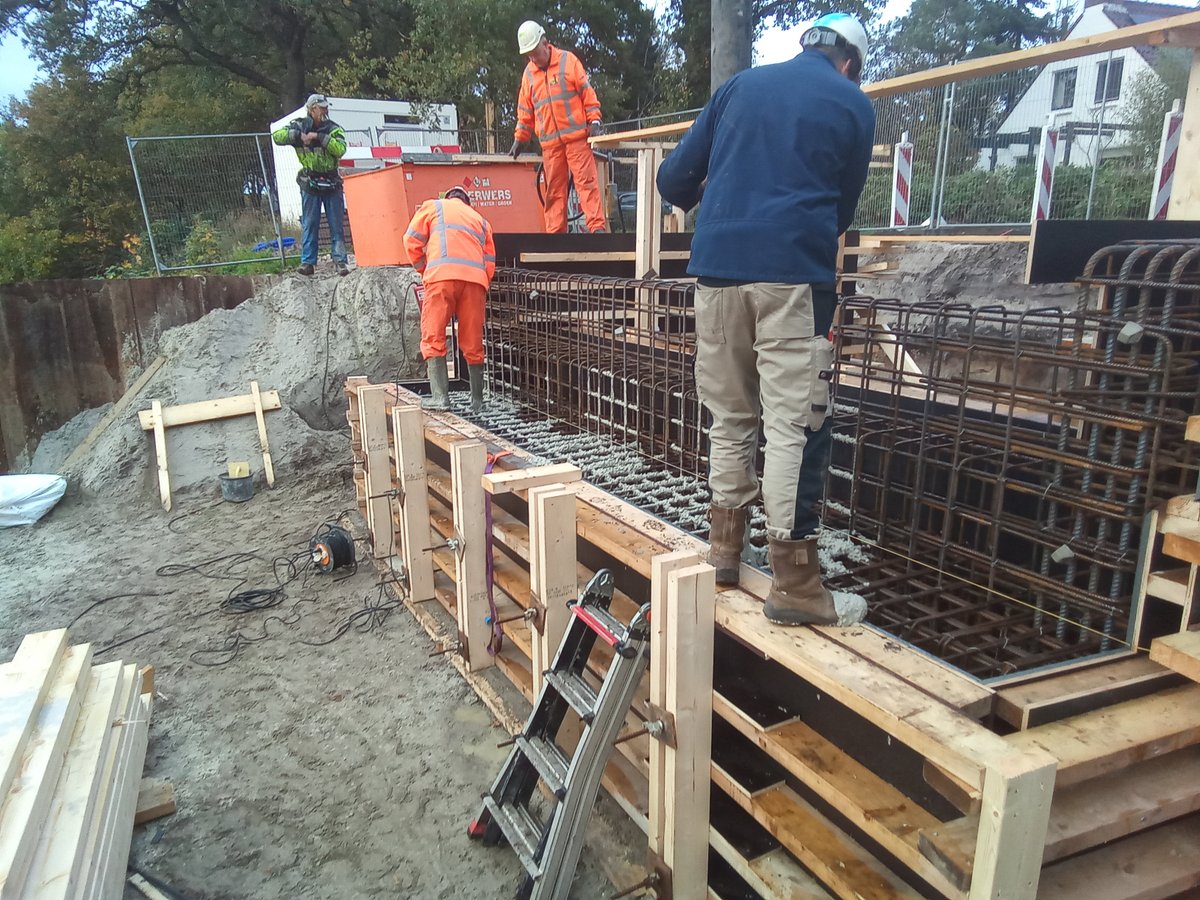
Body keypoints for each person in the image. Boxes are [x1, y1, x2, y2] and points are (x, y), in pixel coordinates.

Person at [656, 13, 876, 627]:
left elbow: (672, 180)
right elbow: (839, 213)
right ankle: (797, 584)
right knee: (792, 424)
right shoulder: (853, 105)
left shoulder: (740, 87)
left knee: (730, 416)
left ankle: (725, 551)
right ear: (851, 62)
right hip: (792, 280)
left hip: (716, 273)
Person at [403, 186, 496, 413]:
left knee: (433, 336)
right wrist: (479, 282)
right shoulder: (481, 220)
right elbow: (490, 262)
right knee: (472, 341)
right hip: (475, 283)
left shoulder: (434, 206)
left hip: (441, 278)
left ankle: (440, 398)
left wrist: (425, 270)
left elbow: (411, 241)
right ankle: (477, 401)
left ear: (449, 197)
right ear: (467, 202)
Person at [509, 21, 608, 234]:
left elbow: (586, 93)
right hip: (551, 146)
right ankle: (555, 235)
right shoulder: (529, 75)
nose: (534, 59)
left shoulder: (568, 62)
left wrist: (594, 121)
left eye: (536, 53)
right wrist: (520, 138)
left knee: (587, 184)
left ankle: (597, 229)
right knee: (554, 192)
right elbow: (525, 111)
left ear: (545, 43)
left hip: (576, 140)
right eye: (530, 56)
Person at [272, 93, 350, 276]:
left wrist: (320, 137)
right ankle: (308, 263)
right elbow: (277, 136)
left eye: (325, 107)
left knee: (336, 224)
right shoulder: (298, 125)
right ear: (311, 109)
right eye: (321, 107)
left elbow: (341, 149)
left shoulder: (333, 129)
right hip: (310, 181)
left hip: (331, 182)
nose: (325, 110)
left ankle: (340, 262)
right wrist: (298, 136)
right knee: (310, 223)